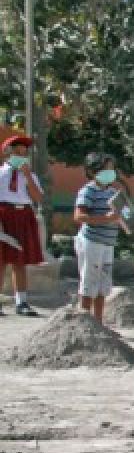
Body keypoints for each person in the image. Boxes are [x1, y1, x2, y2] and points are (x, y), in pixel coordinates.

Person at [73, 153, 128, 322]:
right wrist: (106, 218)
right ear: (92, 171)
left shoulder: (113, 193)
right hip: (92, 242)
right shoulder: (88, 191)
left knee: (103, 284)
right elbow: (79, 216)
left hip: (107, 243)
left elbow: (123, 215)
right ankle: (83, 321)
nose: (110, 173)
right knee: (89, 282)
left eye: (112, 169)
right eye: (106, 169)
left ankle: (97, 322)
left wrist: (129, 220)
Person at [0, 134, 45, 317]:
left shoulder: (30, 175)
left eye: (24, 152)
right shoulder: (0, 173)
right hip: (4, 214)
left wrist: (27, 175)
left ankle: (22, 301)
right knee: (1, 261)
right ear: (7, 153)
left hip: (23, 214)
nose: (21, 155)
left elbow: (38, 198)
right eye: (17, 151)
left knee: (20, 261)